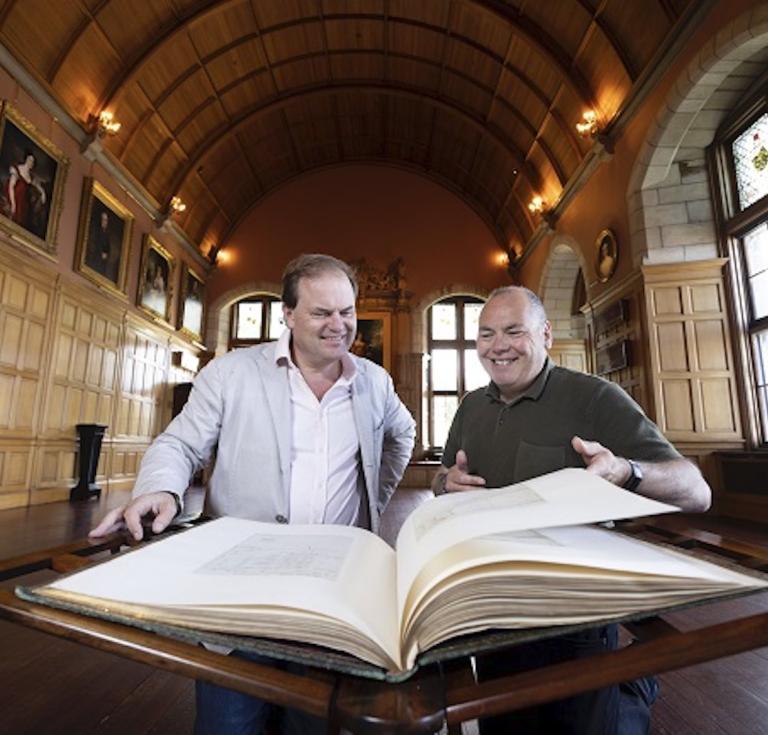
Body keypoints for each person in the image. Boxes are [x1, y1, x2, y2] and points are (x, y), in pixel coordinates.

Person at [91, 253, 416, 734]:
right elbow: (180, 443)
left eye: (346, 311)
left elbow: (402, 434)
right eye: (321, 313)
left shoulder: (373, 380)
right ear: (287, 314)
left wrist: (375, 500)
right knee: (230, 723)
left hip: (331, 595)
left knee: (311, 724)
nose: (339, 325)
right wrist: (161, 490)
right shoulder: (231, 373)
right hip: (240, 590)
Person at [431, 285, 711, 735]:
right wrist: (445, 482)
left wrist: (625, 470)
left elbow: (697, 491)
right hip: (494, 609)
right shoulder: (469, 408)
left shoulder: (594, 398)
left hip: (574, 615)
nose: (497, 346)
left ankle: (635, 689)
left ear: (545, 336)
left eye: (513, 331)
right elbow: (442, 478)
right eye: (486, 334)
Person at [5, 150, 46, 232]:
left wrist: (43, 193)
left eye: (33, 161)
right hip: (15, 200)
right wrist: (13, 204)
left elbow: (37, 186)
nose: (31, 163)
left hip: (24, 205)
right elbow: (11, 187)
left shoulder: (30, 176)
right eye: (30, 160)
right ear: (26, 159)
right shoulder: (17, 169)